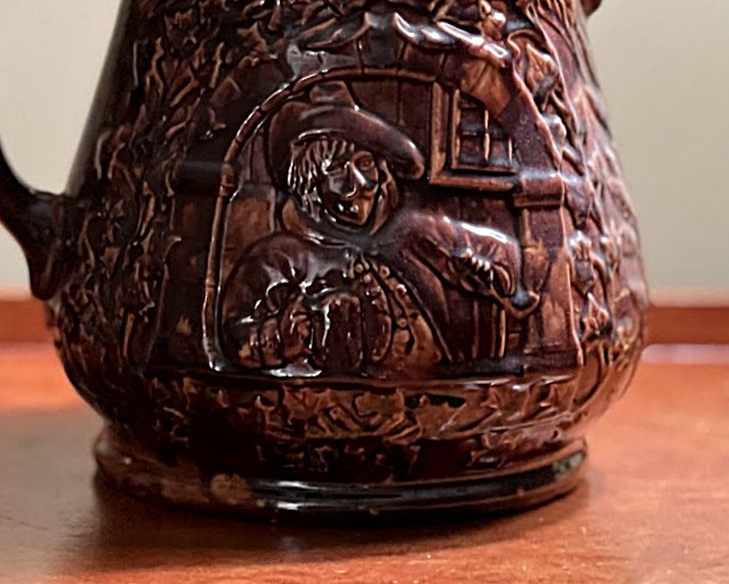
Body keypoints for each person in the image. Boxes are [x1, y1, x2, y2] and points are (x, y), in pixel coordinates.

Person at [218, 81, 532, 377]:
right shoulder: (279, 258)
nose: (359, 185)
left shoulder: (415, 232)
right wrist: (291, 334)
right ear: (309, 186)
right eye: (337, 170)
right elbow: (235, 336)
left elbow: (501, 257)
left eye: (365, 165)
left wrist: (495, 272)